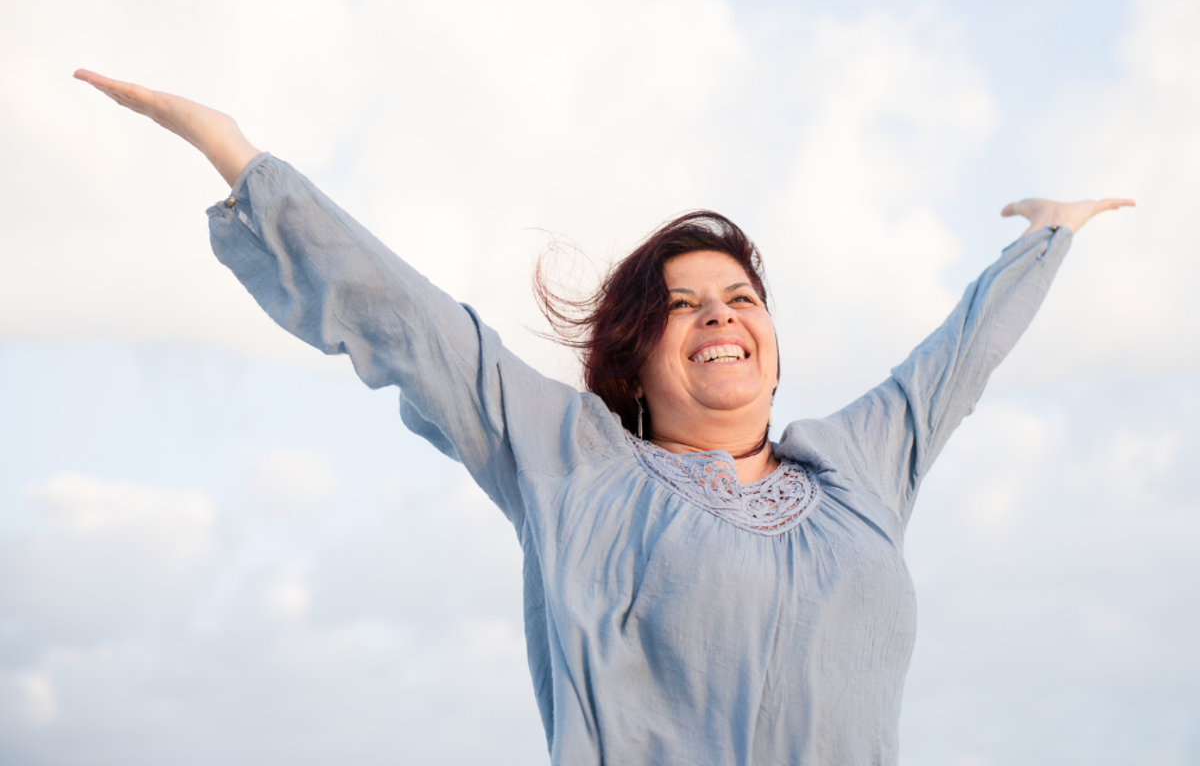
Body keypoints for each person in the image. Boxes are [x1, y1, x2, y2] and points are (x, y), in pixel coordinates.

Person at [75, 69, 1133, 765]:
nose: (718, 313)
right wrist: (242, 162)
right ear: (636, 356)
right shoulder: (575, 464)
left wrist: (1049, 237)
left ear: (769, 341)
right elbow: (415, 326)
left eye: (739, 297)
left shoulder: (859, 465)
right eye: (682, 305)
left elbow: (958, 358)